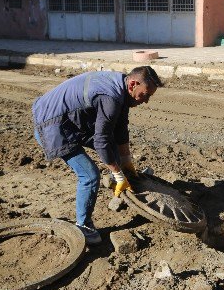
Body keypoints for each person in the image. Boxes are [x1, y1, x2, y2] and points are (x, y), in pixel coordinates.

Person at [32, 66, 162, 245]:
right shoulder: (110, 97)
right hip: (52, 125)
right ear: (133, 84)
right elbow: (101, 140)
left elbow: (120, 129)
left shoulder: (122, 88)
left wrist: (126, 163)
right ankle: (83, 226)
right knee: (90, 175)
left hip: (73, 120)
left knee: (114, 154)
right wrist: (117, 172)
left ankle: (123, 184)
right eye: (145, 94)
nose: (146, 101)